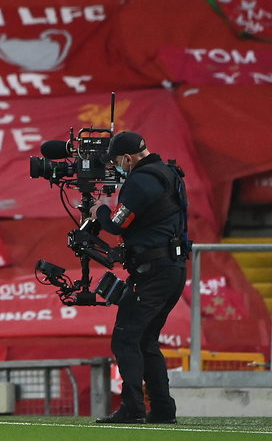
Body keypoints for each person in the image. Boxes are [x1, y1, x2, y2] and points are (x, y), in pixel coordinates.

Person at [92, 131, 189, 425]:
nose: (116, 166)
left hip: (153, 271)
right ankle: (162, 409)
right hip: (171, 268)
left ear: (127, 158)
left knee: (126, 338)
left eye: (117, 161)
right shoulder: (168, 173)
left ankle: (133, 408)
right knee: (146, 340)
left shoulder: (141, 181)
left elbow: (118, 224)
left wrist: (101, 211)